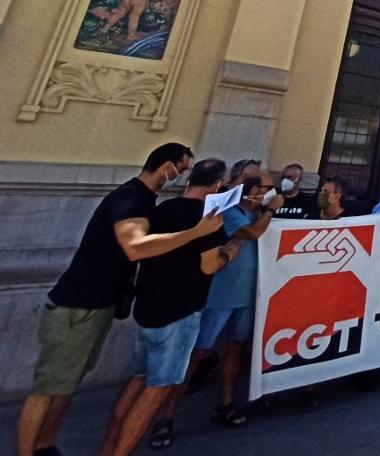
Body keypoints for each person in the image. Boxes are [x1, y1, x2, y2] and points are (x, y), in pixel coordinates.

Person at [15, 143, 214, 456]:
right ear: (166, 167)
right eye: (182, 169)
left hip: (96, 304)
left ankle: (45, 445)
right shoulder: (131, 198)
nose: (182, 177)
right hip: (78, 305)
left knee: (64, 386)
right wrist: (196, 233)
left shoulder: (146, 200)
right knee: (49, 388)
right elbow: (136, 246)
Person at [100, 160, 238, 455]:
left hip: (149, 306)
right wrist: (230, 251)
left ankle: (107, 448)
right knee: (158, 387)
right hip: (181, 311)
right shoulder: (208, 216)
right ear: (217, 185)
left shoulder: (163, 209)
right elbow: (210, 265)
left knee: (139, 379)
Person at [170, 176, 285, 433]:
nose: (273, 192)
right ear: (254, 191)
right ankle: (166, 416)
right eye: (268, 189)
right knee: (197, 354)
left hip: (247, 298)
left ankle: (226, 403)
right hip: (220, 298)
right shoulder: (230, 213)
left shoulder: (258, 216)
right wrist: (271, 208)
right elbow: (254, 234)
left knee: (235, 351)